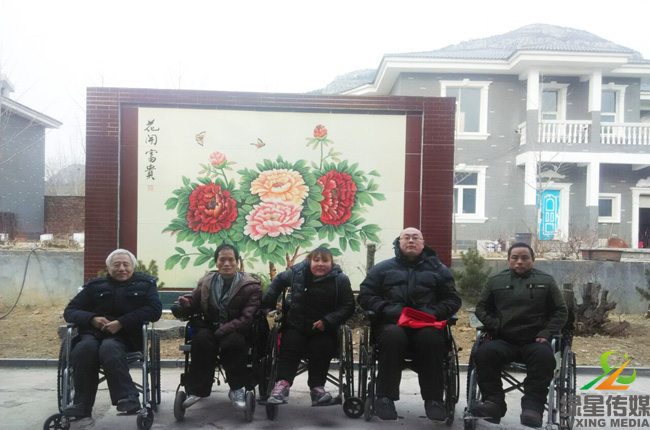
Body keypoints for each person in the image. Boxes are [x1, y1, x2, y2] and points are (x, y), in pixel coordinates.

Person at [358, 227, 461, 422]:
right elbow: (366, 295)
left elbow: (453, 300)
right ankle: (385, 398)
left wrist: (433, 312)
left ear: (423, 243)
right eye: (406, 237)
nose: (411, 241)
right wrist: (388, 309)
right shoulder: (382, 268)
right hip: (392, 323)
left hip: (426, 324)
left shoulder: (439, 270)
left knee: (431, 339)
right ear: (399, 242)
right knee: (393, 336)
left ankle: (434, 400)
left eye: (415, 238)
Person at [472, 242, 568, 428]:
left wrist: (546, 332)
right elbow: (481, 308)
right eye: (515, 258)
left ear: (533, 260)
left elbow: (560, 311)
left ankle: (532, 408)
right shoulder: (495, 281)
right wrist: (495, 326)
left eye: (525, 258)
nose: (519, 262)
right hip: (503, 340)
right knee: (483, 353)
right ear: (508, 260)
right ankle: (493, 403)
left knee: (544, 358)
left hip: (535, 341)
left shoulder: (546, 281)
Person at [62, 249, 162, 418]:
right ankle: (81, 404)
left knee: (109, 348)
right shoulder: (94, 287)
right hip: (94, 334)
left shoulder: (145, 285)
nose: (121, 268)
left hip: (126, 336)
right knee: (83, 349)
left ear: (132, 267)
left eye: (126, 265)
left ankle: (128, 398)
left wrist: (122, 322)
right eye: (116, 265)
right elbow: (70, 311)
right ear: (108, 268)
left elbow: (154, 310)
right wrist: (92, 319)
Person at [174, 243, 262, 411]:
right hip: (210, 326)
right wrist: (187, 303)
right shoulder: (206, 281)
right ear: (216, 262)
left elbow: (247, 317)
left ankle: (237, 389)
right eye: (222, 260)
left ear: (237, 262)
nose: (226, 264)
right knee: (201, 340)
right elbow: (194, 298)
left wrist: (223, 330)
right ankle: (196, 390)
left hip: (236, 329)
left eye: (231, 260)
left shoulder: (251, 286)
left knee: (234, 343)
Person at [262, 247, 355, 406]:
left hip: (323, 329)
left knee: (322, 346)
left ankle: (317, 389)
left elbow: (348, 306)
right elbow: (278, 281)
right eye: (316, 260)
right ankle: (282, 385)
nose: (320, 264)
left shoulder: (340, 280)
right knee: (290, 343)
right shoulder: (297, 273)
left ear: (331, 263)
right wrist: (267, 305)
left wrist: (327, 321)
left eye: (325, 260)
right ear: (309, 261)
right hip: (296, 325)